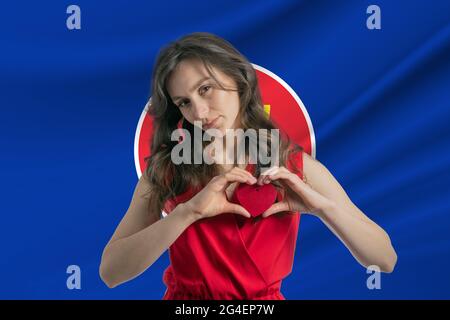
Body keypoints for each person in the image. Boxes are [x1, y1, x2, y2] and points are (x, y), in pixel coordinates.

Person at [99, 32, 397, 299]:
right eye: (184, 102)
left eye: (205, 89)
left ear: (238, 79)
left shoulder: (294, 166)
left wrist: (324, 209)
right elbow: (111, 272)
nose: (199, 112)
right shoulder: (168, 170)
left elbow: (384, 259)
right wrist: (187, 213)